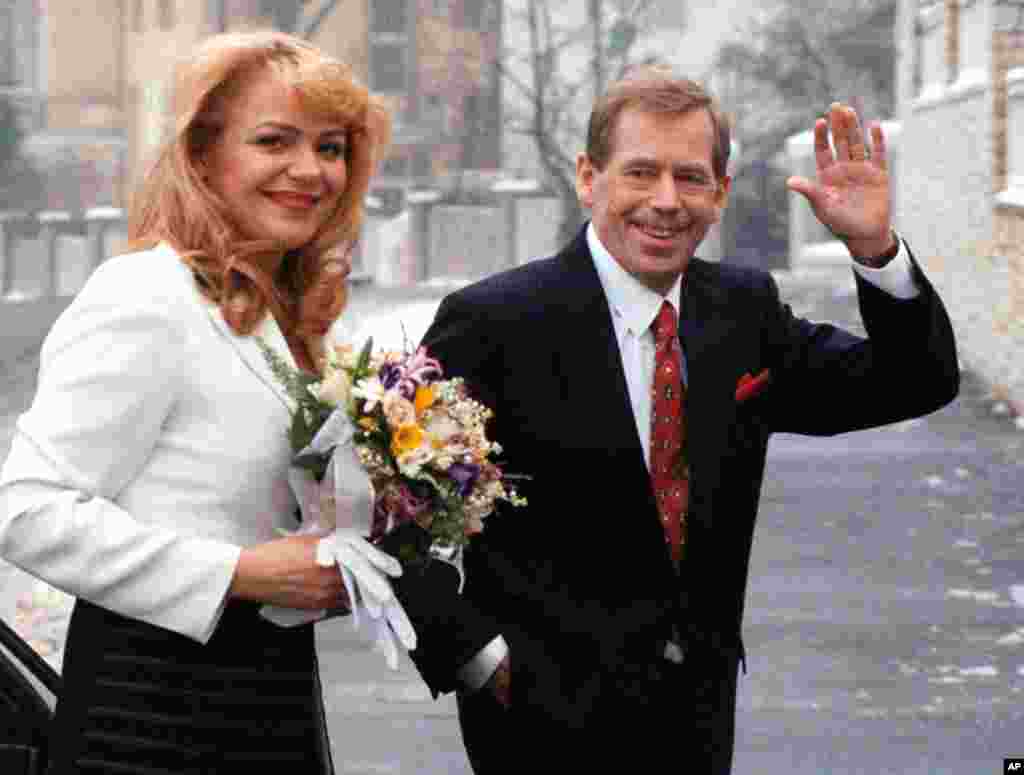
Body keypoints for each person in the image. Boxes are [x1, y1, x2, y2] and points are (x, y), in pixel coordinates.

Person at [383, 68, 959, 773]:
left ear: (720, 192)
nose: (665, 201)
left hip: (696, 722)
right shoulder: (494, 321)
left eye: (690, 177)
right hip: (537, 725)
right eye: (641, 173)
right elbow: (392, 507)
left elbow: (914, 380)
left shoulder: (743, 313)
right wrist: (477, 657)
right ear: (589, 178)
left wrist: (875, 250)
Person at [0, 31, 396, 774]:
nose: (310, 171)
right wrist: (240, 572)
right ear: (204, 155)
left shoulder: (286, 316)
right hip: (149, 713)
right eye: (274, 140)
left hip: (267, 697)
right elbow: (24, 510)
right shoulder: (147, 294)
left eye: (333, 147)